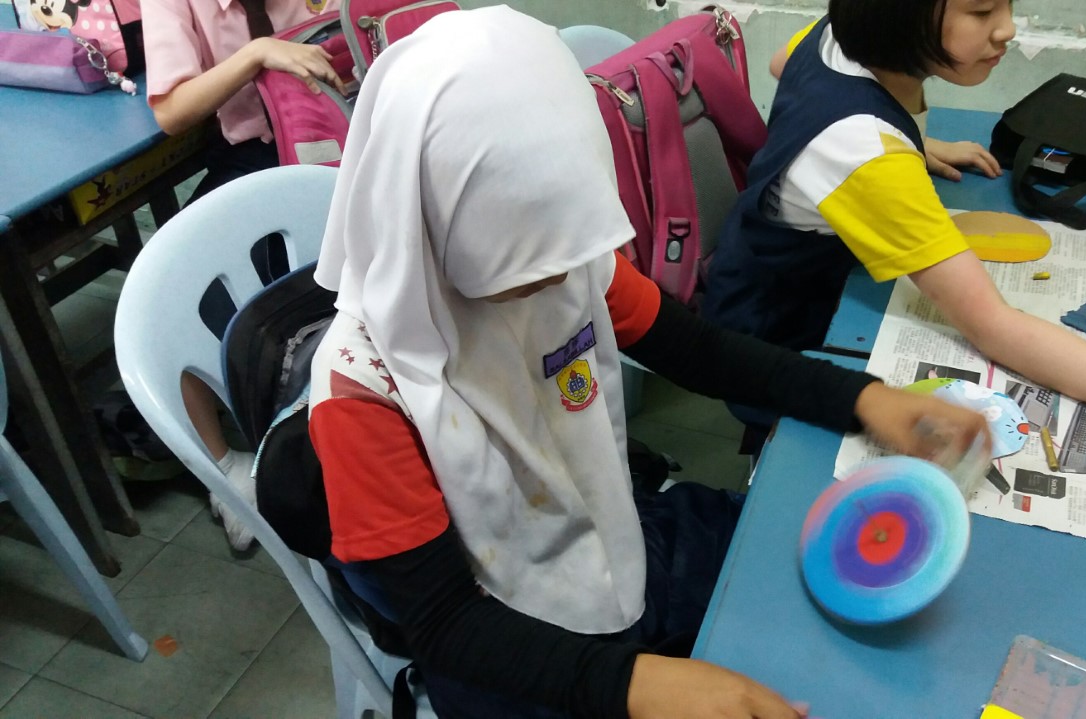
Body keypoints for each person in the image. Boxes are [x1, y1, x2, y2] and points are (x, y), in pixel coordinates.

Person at [306, 7, 991, 717]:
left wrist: (864, 397)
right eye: (522, 257)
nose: (558, 277)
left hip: (609, 543)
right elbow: (445, 624)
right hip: (502, 646)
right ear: (435, 213)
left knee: (797, 554)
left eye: (565, 245)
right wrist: (637, 684)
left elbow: (699, 351)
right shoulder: (363, 395)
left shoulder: (565, 264)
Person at [701, 0, 1086, 495]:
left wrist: (911, 141)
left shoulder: (839, 31)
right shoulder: (865, 158)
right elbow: (993, 326)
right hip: (778, 334)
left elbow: (784, 66)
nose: (1007, 28)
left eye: (1006, 3)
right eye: (980, 11)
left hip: (763, 267)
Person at [140, 0, 345, 548]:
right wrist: (256, 54)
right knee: (176, 301)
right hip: (258, 152)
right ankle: (227, 469)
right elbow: (171, 111)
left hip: (339, 130)